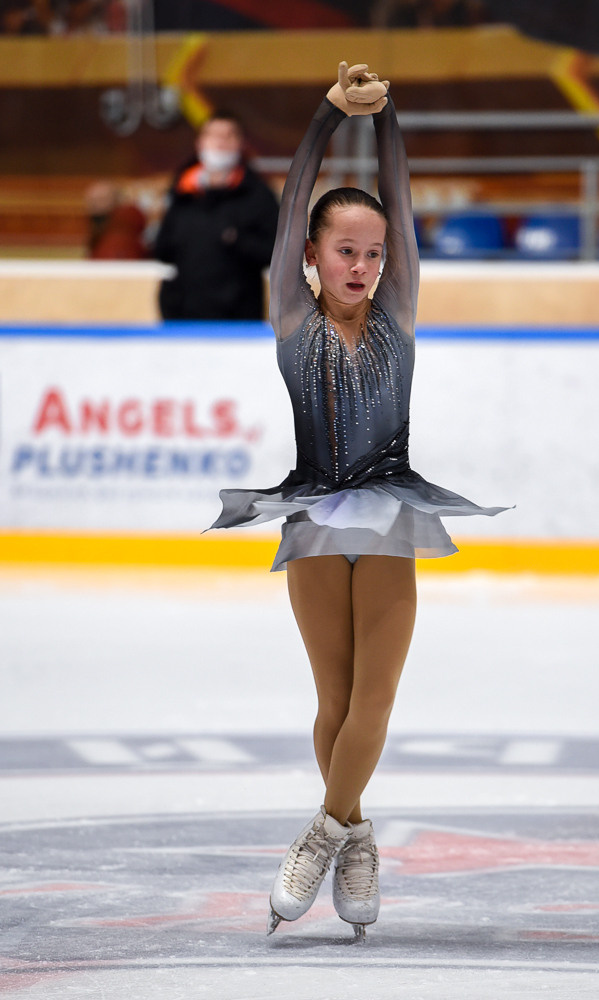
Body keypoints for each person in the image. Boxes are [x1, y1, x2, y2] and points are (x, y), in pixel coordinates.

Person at [209, 62, 509, 939]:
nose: (365, 265)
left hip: (387, 509)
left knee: (374, 698)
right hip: (310, 512)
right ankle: (361, 830)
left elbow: (403, 208)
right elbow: (295, 195)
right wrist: (324, 116)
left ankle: (325, 832)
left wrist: (385, 122)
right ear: (310, 256)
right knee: (332, 702)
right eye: (347, 249)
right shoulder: (290, 318)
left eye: (375, 253)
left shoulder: (399, 314)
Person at [154, 110, 279, 320]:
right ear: (200, 142)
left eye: (228, 136)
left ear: (240, 143)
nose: (220, 142)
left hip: (237, 317)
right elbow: (163, 248)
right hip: (184, 315)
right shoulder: (182, 190)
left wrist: (237, 240)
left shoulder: (257, 193)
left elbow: (274, 252)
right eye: (213, 135)